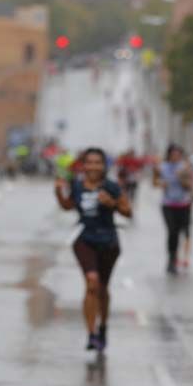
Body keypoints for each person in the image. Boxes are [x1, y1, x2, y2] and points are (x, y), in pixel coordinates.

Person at [54, 148, 132, 352]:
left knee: (103, 289)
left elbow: (128, 212)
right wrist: (58, 192)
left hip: (109, 242)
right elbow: (68, 206)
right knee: (92, 283)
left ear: (104, 166)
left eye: (98, 162)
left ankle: (103, 326)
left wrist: (112, 204)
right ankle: (91, 334)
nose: (93, 166)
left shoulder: (112, 187)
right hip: (85, 240)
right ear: (84, 165)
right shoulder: (77, 186)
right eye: (89, 162)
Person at [153, 144, 193, 275]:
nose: (175, 156)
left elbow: (190, 185)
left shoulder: (185, 167)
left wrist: (182, 179)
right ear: (169, 154)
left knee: (182, 231)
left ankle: (177, 257)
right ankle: (172, 259)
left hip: (183, 204)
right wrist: (161, 183)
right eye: (173, 154)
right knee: (172, 231)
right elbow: (155, 182)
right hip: (168, 204)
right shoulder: (162, 167)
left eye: (178, 154)